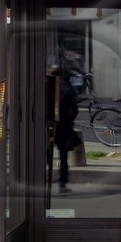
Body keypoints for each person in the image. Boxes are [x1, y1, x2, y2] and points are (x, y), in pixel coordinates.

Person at [49, 65, 81, 194]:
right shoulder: (65, 90)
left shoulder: (45, 90)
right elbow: (75, 109)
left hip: (50, 126)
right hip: (63, 126)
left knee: (46, 155)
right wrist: (69, 120)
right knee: (63, 157)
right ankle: (62, 181)